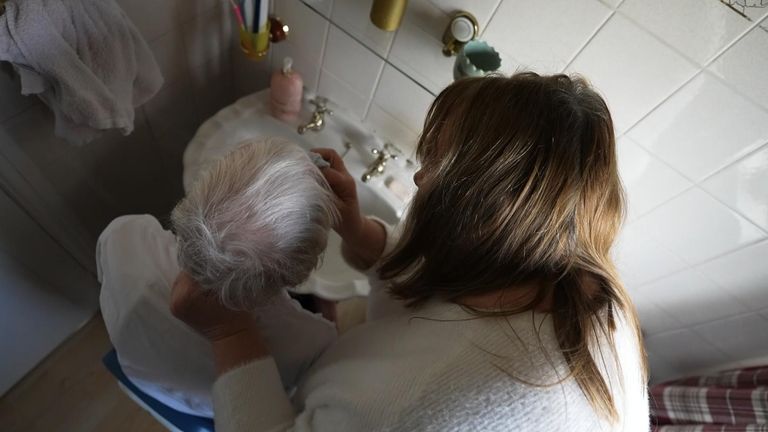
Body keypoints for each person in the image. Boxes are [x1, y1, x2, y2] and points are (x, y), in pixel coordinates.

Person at [170, 73, 651, 431]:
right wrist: (359, 232)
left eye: (435, 161)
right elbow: (444, 278)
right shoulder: (580, 281)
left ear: (485, 205)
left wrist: (227, 330)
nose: (419, 179)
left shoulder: (421, 409)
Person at [98, 137, 341, 417]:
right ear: (298, 275)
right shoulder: (310, 341)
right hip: (213, 408)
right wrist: (328, 309)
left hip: (143, 376)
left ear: (195, 197)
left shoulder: (125, 236)